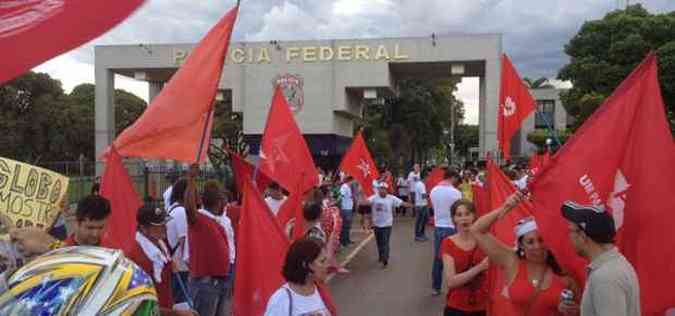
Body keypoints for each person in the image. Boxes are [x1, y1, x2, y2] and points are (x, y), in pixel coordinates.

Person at [471, 192, 578, 316]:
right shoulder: (512, 262)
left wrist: (575, 311)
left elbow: (584, 309)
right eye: (530, 242)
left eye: (541, 240)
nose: (537, 246)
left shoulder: (564, 272)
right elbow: (477, 230)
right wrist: (505, 207)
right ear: (521, 245)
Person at [560, 201, 640, 316]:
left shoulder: (605, 277)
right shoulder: (614, 264)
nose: (569, 237)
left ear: (583, 236)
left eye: (570, 231)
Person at [126, 205, 196, 316]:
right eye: (159, 226)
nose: (165, 228)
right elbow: (141, 304)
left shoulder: (160, 245)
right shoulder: (136, 257)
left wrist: (169, 265)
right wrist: (176, 313)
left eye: (164, 224)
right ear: (144, 228)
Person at [183, 173, 233, 316]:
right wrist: (191, 180)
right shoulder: (198, 219)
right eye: (224, 200)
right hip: (205, 284)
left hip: (220, 281)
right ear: (218, 202)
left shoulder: (217, 220)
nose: (226, 203)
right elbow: (188, 207)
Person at [264, 238, 336, 316]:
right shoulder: (280, 300)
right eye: (322, 261)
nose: (327, 265)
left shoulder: (321, 292)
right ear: (306, 265)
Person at [441, 200, 488, 316]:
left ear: (474, 216)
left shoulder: (485, 241)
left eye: (467, 214)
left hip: (482, 306)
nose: (464, 218)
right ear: (454, 219)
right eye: (459, 215)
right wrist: (480, 267)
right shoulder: (448, 243)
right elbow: (451, 281)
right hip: (457, 307)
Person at [429, 167, 462, 296]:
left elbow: (433, 207)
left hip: (438, 227)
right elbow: (458, 210)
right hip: (452, 228)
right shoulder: (456, 193)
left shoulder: (434, 191)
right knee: (455, 258)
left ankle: (435, 287)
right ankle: (456, 285)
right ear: (452, 177)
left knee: (438, 258)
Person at [366, 183, 413, 268]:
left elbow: (402, 203)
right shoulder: (374, 197)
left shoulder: (391, 198)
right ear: (378, 189)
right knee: (379, 242)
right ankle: (381, 256)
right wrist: (363, 196)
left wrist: (411, 205)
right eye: (381, 188)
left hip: (387, 225)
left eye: (384, 189)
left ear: (387, 190)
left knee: (385, 242)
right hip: (376, 224)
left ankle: (385, 258)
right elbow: (366, 202)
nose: (382, 190)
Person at [165, 178, 191, 308]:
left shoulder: (172, 209)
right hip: (180, 265)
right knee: (181, 302)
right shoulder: (181, 212)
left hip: (176, 263)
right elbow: (183, 240)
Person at [339, 176, 355, 247]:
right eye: (353, 180)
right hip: (345, 208)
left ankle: (347, 240)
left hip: (349, 208)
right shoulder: (344, 187)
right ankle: (344, 242)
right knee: (345, 226)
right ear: (350, 180)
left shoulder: (348, 187)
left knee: (348, 226)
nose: (354, 182)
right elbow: (341, 196)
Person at [413, 176, 430, 241]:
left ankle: (421, 234)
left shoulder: (419, 184)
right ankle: (418, 235)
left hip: (421, 205)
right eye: (428, 177)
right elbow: (423, 196)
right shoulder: (421, 185)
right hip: (421, 205)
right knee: (420, 221)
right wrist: (429, 194)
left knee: (423, 220)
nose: (428, 179)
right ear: (424, 177)